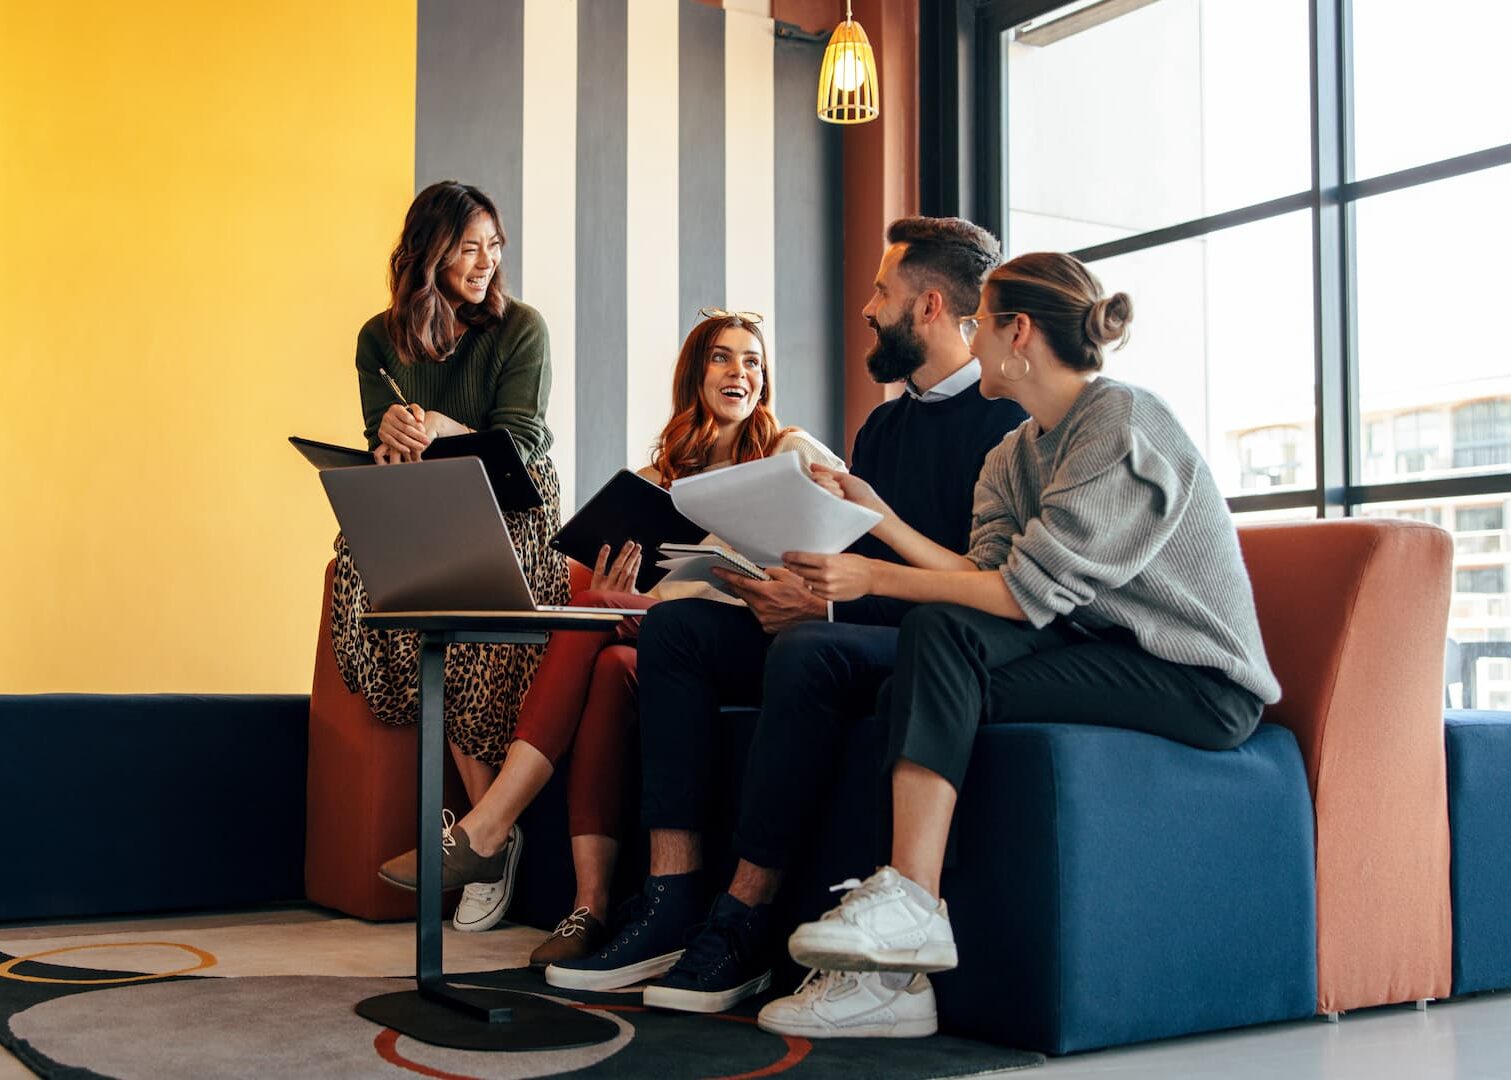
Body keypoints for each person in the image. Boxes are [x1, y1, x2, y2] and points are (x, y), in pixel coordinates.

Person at [757, 251, 1282, 1037]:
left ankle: (908, 910)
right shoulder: (1013, 453)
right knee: (909, 684)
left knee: (935, 639)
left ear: (1018, 333)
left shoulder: (1121, 424)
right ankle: (896, 982)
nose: (968, 339)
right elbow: (984, 575)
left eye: (980, 323)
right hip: (1097, 651)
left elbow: (1015, 594)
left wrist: (873, 576)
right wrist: (878, 519)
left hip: (1195, 680)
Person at [544, 217, 1028, 1025]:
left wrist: (827, 605)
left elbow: (981, 588)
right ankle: (669, 901)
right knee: (676, 635)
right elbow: (840, 547)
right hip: (844, 617)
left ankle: (742, 921)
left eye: (881, 291)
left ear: (930, 306)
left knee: (808, 651)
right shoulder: (882, 426)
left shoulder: (1004, 426)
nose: (867, 308)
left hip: (930, 643)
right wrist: (786, 585)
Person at [375, 309, 844, 955]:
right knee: (603, 646)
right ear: (694, 376)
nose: (740, 371)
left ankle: (488, 829)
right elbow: (643, 597)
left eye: (752, 360)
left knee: (600, 610)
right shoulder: (655, 482)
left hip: (760, 636)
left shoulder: (788, 450)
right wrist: (622, 598)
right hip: (669, 644)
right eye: (722, 357)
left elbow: (845, 536)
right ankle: (587, 909)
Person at [329, 180, 573, 910]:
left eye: (493, 247)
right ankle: (487, 839)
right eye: (469, 247)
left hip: (513, 507)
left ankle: (481, 839)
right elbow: (381, 435)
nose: (485, 262)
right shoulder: (380, 337)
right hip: (427, 502)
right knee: (371, 578)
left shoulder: (520, 327)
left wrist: (438, 426)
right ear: (429, 251)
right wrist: (390, 440)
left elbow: (524, 444)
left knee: (460, 608)